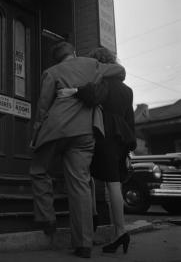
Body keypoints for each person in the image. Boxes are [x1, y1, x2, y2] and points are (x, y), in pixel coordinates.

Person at [29, 42, 126, 258]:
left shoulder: (51, 72)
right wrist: (86, 88)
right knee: (80, 183)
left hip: (56, 129)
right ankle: (83, 244)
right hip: (85, 131)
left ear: (58, 58)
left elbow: (43, 108)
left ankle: (47, 219)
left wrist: (36, 136)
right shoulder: (92, 64)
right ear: (73, 53)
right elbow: (120, 71)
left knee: (38, 169)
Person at [58, 47, 136, 255]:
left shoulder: (102, 81)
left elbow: (92, 95)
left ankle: (114, 228)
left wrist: (72, 91)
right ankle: (117, 230)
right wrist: (128, 148)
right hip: (122, 137)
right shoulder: (127, 90)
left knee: (89, 175)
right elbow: (130, 120)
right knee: (113, 183)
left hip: (104, 133)